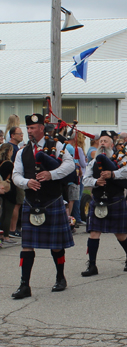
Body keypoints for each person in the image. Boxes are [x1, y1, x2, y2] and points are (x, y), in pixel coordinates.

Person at [11, 114, 75, 298]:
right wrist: (26, 182)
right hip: (31, 201)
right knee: (27, 245)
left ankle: (60, 277)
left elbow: (70, 166)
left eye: (32, 128)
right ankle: (24, 285)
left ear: (41, 128)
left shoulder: (57, 146)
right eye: (28, 128)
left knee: (55, 245)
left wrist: (51, 174)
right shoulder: (22, 152)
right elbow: (16, 175)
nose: (29, 131)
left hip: (52, 200)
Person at [81, 130, 127, 276]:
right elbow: (85, 180)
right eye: (101, 141)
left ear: (112, 145)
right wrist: (95, 181)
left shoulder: (119, 159)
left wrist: (113, 174)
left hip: (115, 200)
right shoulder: (93, 162)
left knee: (120, 234)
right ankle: (92, 265)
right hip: (98, 200)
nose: (103, 144)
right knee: (93, 233)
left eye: (106, 141)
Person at [8, 126, 24, 238]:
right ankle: (12, 229)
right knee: (16, 204)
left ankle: (15, 228)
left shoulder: (16, 148)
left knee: (18, 204)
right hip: (14, 180)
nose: (22, 136)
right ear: (13, 135)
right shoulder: (12, 148)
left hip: (16, 179)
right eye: (19, 134)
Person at [0, 143, 16, 244]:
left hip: (2, 189)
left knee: (2, 213)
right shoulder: (9, 164)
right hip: (9, 189)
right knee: (8, 213)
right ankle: (6, 235)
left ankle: (2, 234)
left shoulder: (1, 162)